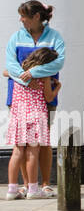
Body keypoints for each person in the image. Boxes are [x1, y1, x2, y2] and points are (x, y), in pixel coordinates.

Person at [5, 0, 65, 197]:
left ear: (36, 17)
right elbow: (10, 64)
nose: (21, 20)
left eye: (24, 16)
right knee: (26, 144)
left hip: (42, 100)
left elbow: (58, 63)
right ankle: (28, 186)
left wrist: (33, 73)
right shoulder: (16, 37)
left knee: (42, 143)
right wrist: (24, 80)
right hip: (20, 96)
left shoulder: (55, 37)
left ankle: (44, 183)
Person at [5, 48, 61, 200]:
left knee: (17, 152)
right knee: (33, 153)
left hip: (18, 116)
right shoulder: (44, 75)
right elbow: (49, 98)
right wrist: (58, 87)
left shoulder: (20, 69)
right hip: (35, 116)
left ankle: (11, 189)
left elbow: (5, 72)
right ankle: (33, 189)